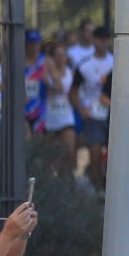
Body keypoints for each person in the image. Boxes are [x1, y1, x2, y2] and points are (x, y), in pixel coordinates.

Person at [73, 25, 114, 189]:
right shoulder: (84, 65)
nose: (103, 43)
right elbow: (73, 91)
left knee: (113, 157)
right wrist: (81, 109)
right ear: (94, 40)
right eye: (100, 39)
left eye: (106, 40)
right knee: (95, 154)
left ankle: (110, 189)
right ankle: (98, 191)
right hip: (93, 115)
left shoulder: (116, 61)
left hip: (113, 114)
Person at [39, 39, 77, 170]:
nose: (61, 58)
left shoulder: (70, 72)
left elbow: (68, 91)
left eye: (63, 55)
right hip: (50, 116)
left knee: (69, 149)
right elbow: (53, 87)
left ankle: (69, 177)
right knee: (52, 156)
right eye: (58, 55)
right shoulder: (47, 74)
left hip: (66, 115)